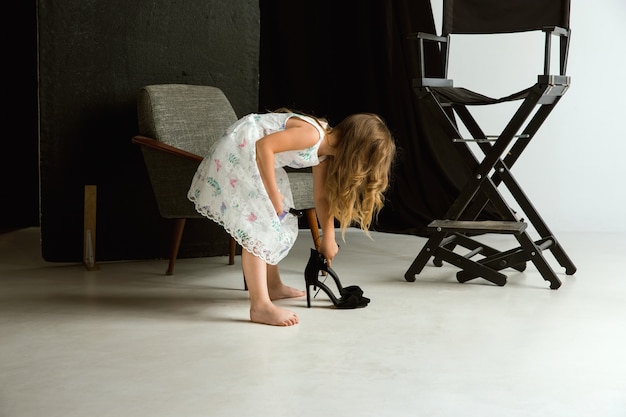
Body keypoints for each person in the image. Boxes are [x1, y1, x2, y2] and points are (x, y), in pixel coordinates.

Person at [188, 110, 395, 326]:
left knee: (280, 221)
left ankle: (273, 284)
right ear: (355, 149)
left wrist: (328, 237)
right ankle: (259, 306)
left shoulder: (324, 153)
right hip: (241, 151)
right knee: (258, 226)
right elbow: (264, 147)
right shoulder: (313, 135)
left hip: (257, 159)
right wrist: (272, 193)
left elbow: (322, 196)